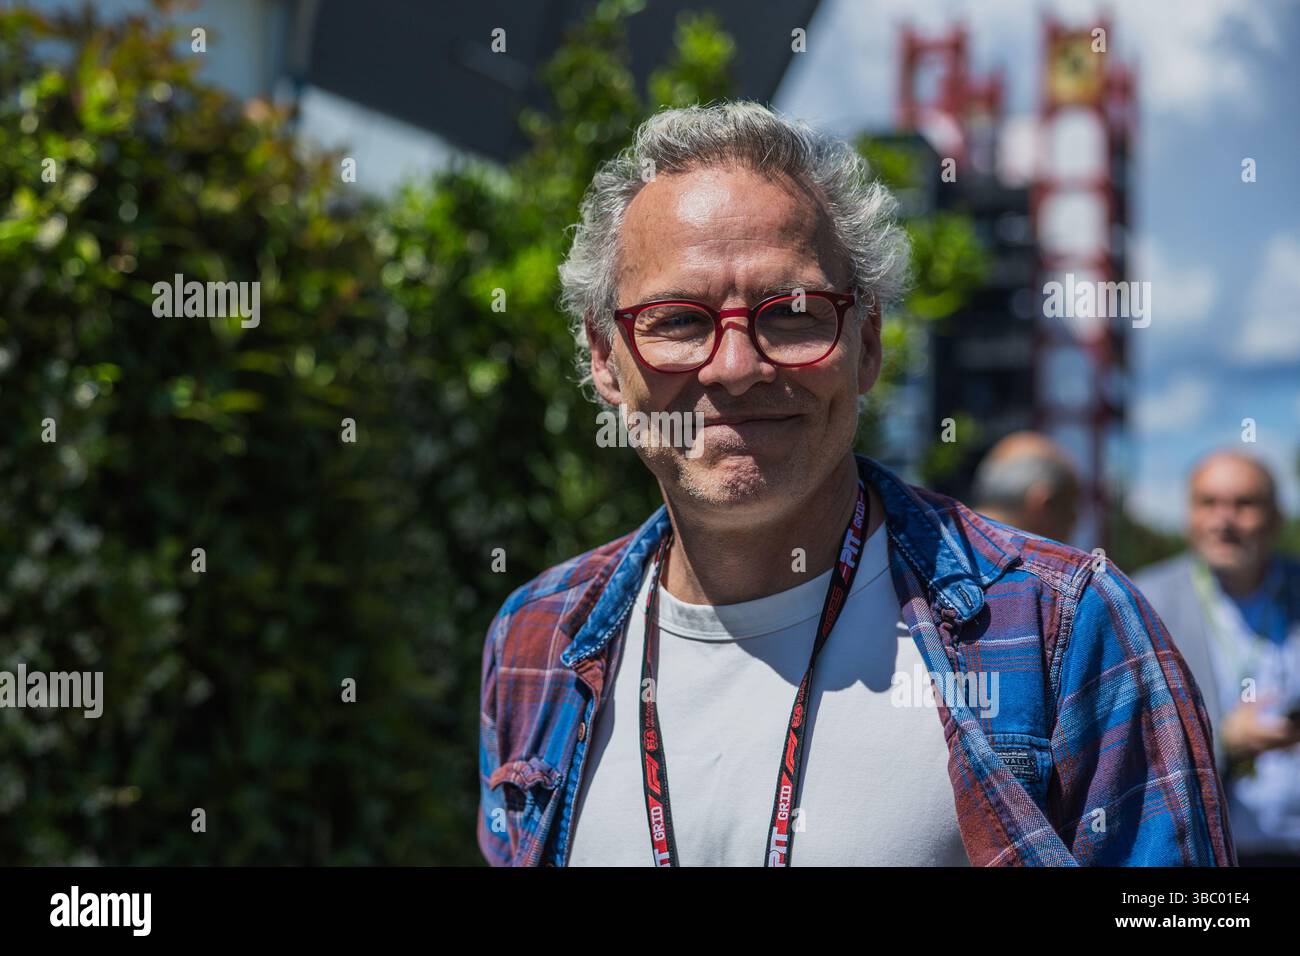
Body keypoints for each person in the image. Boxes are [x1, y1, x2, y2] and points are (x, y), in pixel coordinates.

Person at [477, 100, 1233, 867]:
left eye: (794, 313)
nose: (736, 367)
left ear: (865, 345)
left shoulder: (1061, 631)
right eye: (678, 320)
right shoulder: (536, 640)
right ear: (607, 358)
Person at [1135, 450, 1300, 865]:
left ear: (1276, 516)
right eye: (1208, 503)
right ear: (1189, 516)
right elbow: (1125, 743)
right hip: (1203, 848)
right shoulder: (1145, 601)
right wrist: (1220, 743)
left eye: (1244, 504)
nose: (1224, 521)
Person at [971, 432, 1081, 543]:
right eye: (1070, 510)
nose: (1075, 522)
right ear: (1044, 507)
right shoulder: (1033, 558)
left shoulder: (956, 540)